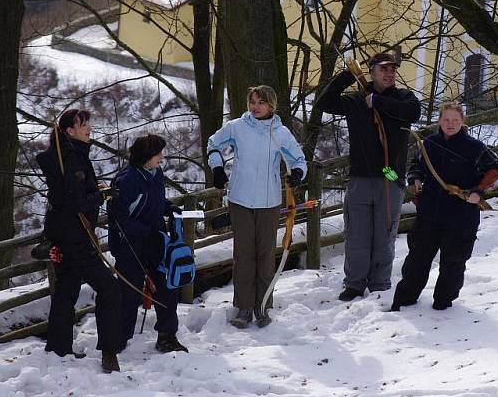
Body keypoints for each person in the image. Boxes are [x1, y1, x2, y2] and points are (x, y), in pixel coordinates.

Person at [315, 52, 421, 301]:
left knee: (384, 234)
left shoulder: (403, 98)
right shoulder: (356, 100)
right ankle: (354, 283)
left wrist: (379, 102)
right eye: (383, 69)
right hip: (360, 176)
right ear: (372, 72)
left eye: (392, 70)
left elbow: (412, 113)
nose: (389, 73)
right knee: (357, 234)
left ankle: (380, 283)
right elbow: (324, 103)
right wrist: (346, 76)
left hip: (390, 175)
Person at [207, 85, 307, 329]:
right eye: (252, 102)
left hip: (269, 201)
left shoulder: (280, 132)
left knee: (265, 255)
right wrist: (218, 168)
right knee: (244, 255)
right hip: (240, 199)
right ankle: (243, 307)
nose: (255, 107)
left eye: (261, 103)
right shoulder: (237, 127)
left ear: (271, 105)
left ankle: (262, 306)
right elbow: (213, 144)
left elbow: (299, 159)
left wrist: (296, 174)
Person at [391, 102, 498, 312]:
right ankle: (404, 300)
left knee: (453, 262)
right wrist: (415, 180)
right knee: (417, 259)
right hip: (429, 212)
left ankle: (443, 305)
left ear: (462, 122)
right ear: (439, 121)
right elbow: (417, 166)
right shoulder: (428, 143)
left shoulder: (474, 147)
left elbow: (497, 168)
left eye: (455, 120)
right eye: (446, 120)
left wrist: (478, 191)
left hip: (461, 216)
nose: (450, 124)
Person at [36, 109, 124, 373]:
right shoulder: (72, 159)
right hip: (75, 238)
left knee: (66, 290)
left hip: (63, 235)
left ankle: (58, 348)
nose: (88, 127)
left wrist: (97, 193)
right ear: (69, 131)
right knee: (109, 288)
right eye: (82, 124)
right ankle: (109, 353)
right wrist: (103, 196)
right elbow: (76, 203)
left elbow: (69, 197)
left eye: (88, 122)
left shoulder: (68, 156)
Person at [108, 133, 188, 354]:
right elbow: (118, 218)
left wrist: (168, 207)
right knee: (129, 292)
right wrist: (145, 232)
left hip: (155, 240)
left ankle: (167, 335)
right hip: (130, 245)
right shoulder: (127, 181)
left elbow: (156, 201)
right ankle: (119, 338)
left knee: (166, 285)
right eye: (158, 153)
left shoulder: (156, 173)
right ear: (146, 156)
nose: (162, 157)